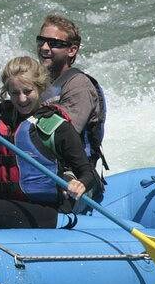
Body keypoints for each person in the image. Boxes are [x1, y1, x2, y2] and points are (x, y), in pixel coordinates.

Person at [0, 56, 100, 229]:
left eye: (27, 91)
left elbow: (88, 172)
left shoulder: (57, 126)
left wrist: (80, 183)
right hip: (2, 202)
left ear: (40, 88)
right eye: (15, 93)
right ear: (7, 92)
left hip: (46, 210)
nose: (22, 99)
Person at [35, 14, 108, 171]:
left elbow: (64, 138)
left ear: (72, 50)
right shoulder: (36, 82)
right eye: (41, 41)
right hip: (42, 165)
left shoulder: (79, 86)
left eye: (53, 43)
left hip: (74, 175)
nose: (44, 47)